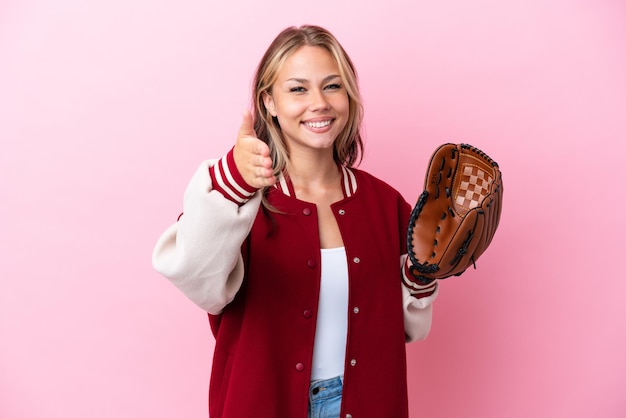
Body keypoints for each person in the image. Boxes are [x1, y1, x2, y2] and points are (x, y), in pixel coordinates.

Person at [152, 24, 438, 418]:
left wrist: (422, 277)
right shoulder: (239, 198)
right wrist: (234, 177)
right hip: (261, 404)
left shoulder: (385, 204)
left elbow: (410, 328)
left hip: (368, 404)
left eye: (333, 86)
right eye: (298, 89)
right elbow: (199, 282)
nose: (318, 102)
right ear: (269, 101)